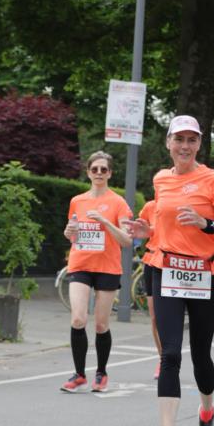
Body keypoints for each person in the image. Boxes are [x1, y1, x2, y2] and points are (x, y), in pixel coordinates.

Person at [125, 116, 214, 426]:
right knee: (170, 353)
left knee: (201, 355)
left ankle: (206, 413)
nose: (185, 146)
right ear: (168, 143)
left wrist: (206, 224)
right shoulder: (161, 179)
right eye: (179, 139)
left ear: (199, 144)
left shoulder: (213, 180)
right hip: (167, 269)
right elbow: (163, 223)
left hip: (204, 271)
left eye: (192, 140)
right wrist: (147, 230)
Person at [61, 151, 132, 393]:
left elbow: (126, 240)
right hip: (80, 264)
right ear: (88, 172)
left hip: (107, 268)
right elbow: (69, 234)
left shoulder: (118, 202)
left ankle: (101, 372)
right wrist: (70, 231)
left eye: (104, 169)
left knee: (101, 325)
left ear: (110, 173)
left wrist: (105, 221)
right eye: (95, 169)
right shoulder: (77, 201)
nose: (99, 173)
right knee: (78, 318)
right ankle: (79, 374)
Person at [138, 197, 162, 378]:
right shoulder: (149, 207)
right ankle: (163, 359)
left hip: (172, 263)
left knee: (167, 316)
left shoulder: (180, 204)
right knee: (155, 317)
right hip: (152, 260)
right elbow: (141, 231)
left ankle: (171, 356)